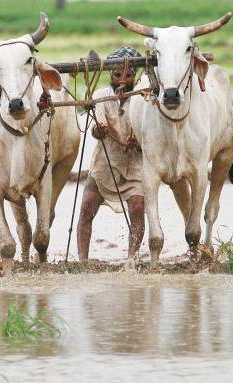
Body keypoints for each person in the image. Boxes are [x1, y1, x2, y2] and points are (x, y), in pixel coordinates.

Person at [77, 46, 145, 261]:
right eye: (117, 75)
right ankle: (82, 261)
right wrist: (100, 128)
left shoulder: (143, 98)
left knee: (137, 207)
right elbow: (95, 132)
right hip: (104, 165)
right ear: (111, 76)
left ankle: (132, 259)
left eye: (127, 75)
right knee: (86, 210)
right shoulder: (100, 96)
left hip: (135, 167)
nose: (122, 80)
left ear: (135, 77)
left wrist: (139, 140)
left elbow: (151, 136)